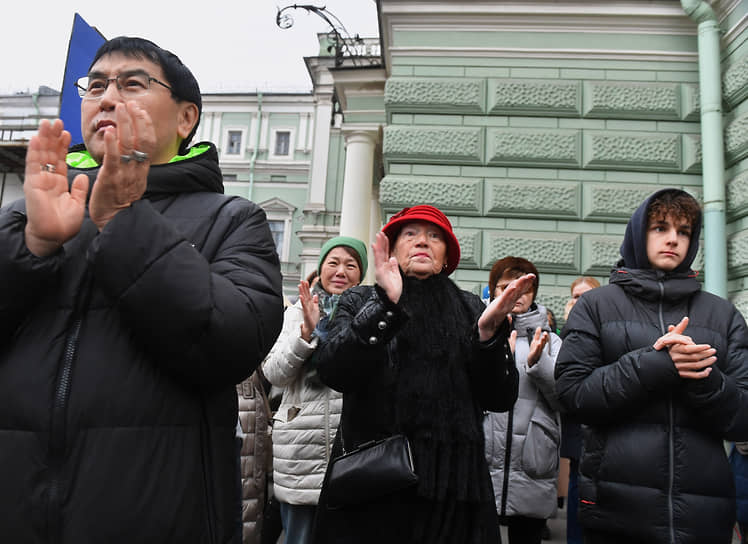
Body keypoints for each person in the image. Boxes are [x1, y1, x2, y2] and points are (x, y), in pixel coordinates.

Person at [0, 36, 284, 542]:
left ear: (184, 119)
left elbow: (231, 344)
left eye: (133, 83)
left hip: (154, 515)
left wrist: (125, 220)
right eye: (96, 85)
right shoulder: (30, 216)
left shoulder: (232, 220)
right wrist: (33, 247)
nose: (107, 98)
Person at [311, 204, 535, 544]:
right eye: (410, 234)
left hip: (456, 489)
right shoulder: (361, 299)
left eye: (434, 236)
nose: (422, 242)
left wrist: (488, 336)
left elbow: (500, 397)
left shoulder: (471, 307)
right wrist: (387, 305)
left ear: (446, 256)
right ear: (392, 248)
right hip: (376, 484)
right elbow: (334, 370)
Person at [555, 188, 748, 544]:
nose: (673, 239)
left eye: (684, 231)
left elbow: (744, 418)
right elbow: (573, 394)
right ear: (638, 233)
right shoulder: (596, 306)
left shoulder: (722, 315)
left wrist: (701, 376)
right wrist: (655, 366)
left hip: (703, 519)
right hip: (616, 515)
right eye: (660, 227)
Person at [262, 236, 368, 544]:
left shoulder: (369, 315)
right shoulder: (296, 313)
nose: (341, 271)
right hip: (301, 453)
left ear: (360, 274)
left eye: (351, 264)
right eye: (333, 263)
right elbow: (275, 374)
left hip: (353, 450)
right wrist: (306, 332)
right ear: (320, 269)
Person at [482, 256, 562, 544]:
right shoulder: (480, 334)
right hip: (484, 460)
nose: (515, 294)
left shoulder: (551, 342)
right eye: (506, 286)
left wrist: (539, 364)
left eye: (524, 288)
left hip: (533, 459)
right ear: (493, 291)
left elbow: (563, 400)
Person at [559, 275, 600, 544]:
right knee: (577, 486)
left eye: (585, 296)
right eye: (575, 296)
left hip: (600, 421)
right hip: (576, 425)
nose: (579, 301)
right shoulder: (568, 332)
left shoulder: (605, 325)